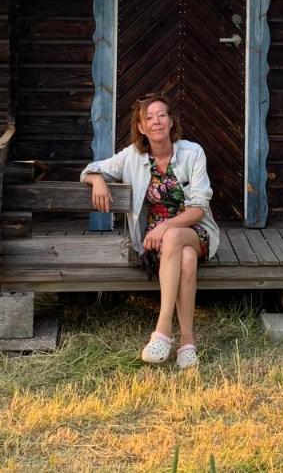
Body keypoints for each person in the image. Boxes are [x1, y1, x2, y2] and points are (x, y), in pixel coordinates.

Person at [81, 93, 220, 369]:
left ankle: (163, 330)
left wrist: (167, 226)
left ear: (171, 122)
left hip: (193, 231)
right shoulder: (132, 157)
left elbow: (198, 209)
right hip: (156, 243)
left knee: (174, 237)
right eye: (149, 117)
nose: (156, 121)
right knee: (187, 259)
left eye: (162, 115)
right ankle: (188, 343)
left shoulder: (193, 153)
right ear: (142, 127)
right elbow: (90, 169)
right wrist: (97, 180)